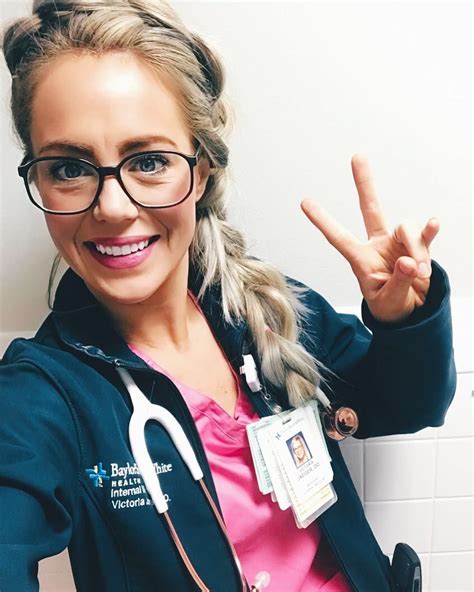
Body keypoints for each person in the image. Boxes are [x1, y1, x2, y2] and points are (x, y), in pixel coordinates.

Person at [0, 1, 456, 591]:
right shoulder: (43, 395)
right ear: (37, 177)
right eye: (68, 169)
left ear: (203, 169)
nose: (112, 209)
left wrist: (402, 321)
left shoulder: (267, 308)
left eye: (149, 161)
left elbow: (413, 405)